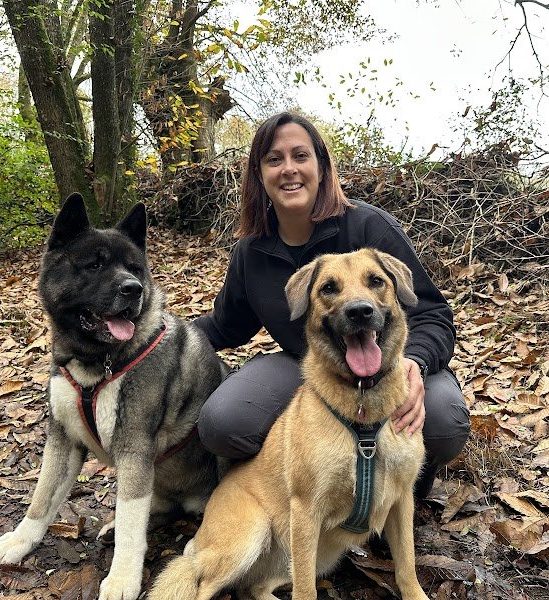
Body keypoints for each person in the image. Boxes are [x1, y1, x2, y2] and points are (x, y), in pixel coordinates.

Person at [193, 111, 469, 499]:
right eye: (274, 159)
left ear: (321, 167)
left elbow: (431, 314)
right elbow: (226, 325)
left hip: (390, 363)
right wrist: (160, 334)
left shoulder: (369, 227)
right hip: (308, 366)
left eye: (300, 156)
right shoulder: (251, 251)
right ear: (259, 175)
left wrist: (415, 363)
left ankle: (404, 485)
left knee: (443, 421)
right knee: (223, 423)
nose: (289, 169)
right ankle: (292, 487)